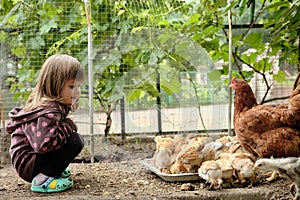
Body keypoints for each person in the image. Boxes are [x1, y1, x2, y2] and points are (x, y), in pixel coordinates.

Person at [6, 54, 85, 193]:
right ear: (55, 85)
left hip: (26, 161)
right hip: (28, 163)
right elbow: (43, 145)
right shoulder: (48, 112)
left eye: (78, 86)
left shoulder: (51, 105)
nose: (77, 92)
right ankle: (42, 178)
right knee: (75, 141)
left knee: (72, 139)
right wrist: (68, 125)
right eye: (72, 86)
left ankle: (51, 168)